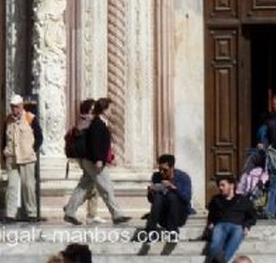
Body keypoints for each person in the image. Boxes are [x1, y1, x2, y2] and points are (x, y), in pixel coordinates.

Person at [64, 97, 130, 225]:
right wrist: (99, 159)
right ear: (104, 110)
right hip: (93, 161)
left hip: (90, 160)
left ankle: (70, 212)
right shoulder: (97, 124)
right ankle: (117, 215)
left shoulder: (98, 123)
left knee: (83, 187)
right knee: (106, 187)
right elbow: (94, 143)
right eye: (110, 109)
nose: (112, 112)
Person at [3, 94, 43, 221]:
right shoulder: (8, 120)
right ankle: (10, 214)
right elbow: (4, 138)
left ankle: (32, 213)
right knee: (12, 186)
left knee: (28, 186)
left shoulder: (30, 118)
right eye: (12, 107)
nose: (14, 109)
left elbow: (39, 137)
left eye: (16, 107)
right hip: (12, 157)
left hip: (27, 157)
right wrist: (5, 152)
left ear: (21, 106)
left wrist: (32, 150)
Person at [205, 173, 256, 263]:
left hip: (237, 225)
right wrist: (211, 223)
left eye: (223, 185)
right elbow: (211, 215)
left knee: (234, 241)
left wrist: (247, 226)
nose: (220, 188)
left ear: (231, 185)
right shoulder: (216, 200)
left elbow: (252, 216)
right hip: (220, 225)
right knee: (215, 245)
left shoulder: (243, 200)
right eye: (219, 185)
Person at [146, 153, 193, 232]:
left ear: (172, 168)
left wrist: (173, 188)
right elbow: (152, 201)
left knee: (172, 196)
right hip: (163, 215)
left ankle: (172, 231)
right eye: (160, 169)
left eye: (165, 170)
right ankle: (150, 228)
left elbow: (187, 198)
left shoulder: (183, 177)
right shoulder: (156, 176)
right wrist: (151, 193)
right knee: (158, 196)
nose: (162, 172)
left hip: (178, 215)